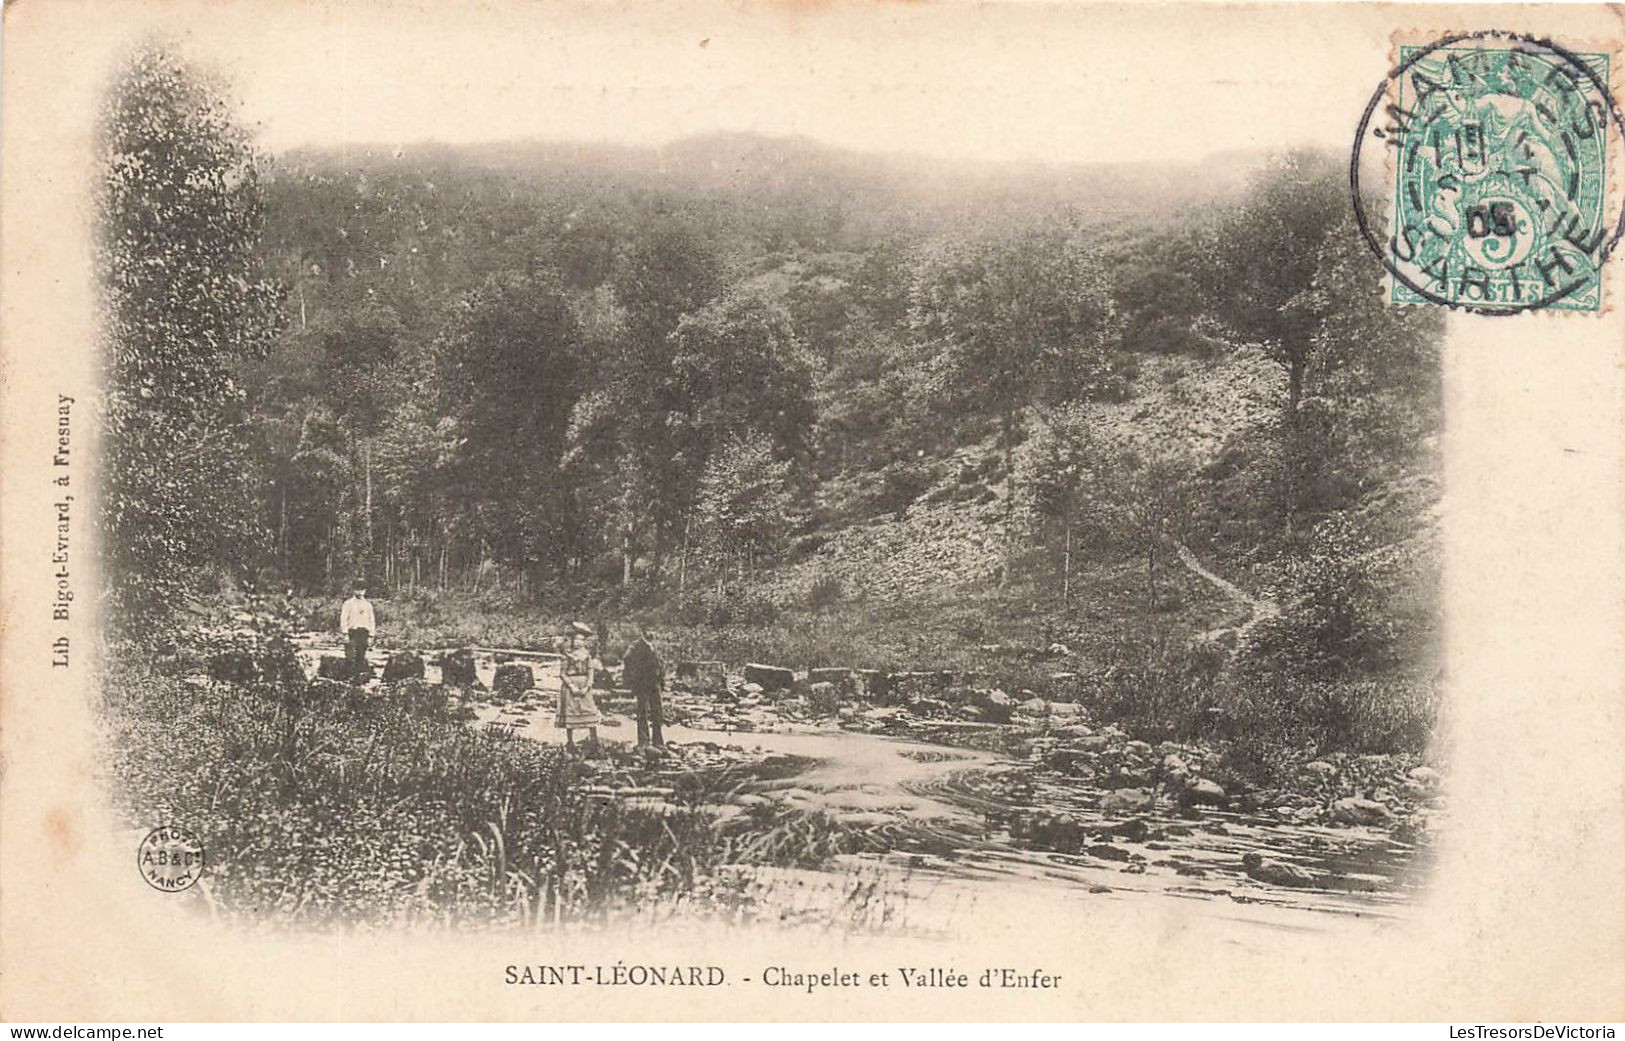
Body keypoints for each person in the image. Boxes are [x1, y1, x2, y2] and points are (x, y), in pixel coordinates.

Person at [556, 621, 603, 751]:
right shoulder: (567, 655)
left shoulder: (587, 655)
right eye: (577, 639)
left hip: (584, 685)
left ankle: (594, 740)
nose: (579, 642)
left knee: (590, 710)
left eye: (582, 640)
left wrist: (587, 686)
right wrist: (572, 686)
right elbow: (562, 674)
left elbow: (590, 672)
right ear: (572, 640)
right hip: (571, 686)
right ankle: (570, 741)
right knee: (570, 711)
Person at [622, 626, 665, 747]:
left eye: (653, 630)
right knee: (643, 712)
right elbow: (627, 660)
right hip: (643, 683)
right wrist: (635, 677)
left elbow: (660, 663)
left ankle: (658, 741)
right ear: (643, 631)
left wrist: (662, 678)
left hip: (655, 683)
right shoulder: (636, 646)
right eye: (649, 630)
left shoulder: (654, 645)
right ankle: (643, 741)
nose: (652, 632)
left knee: (657, 712)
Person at [339, 582, 376, 681]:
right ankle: (348, 678)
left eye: (362, 589)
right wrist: (345, 633)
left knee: (361, 657)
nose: (360, 592)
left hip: (363, 633)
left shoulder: (368, 605)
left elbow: (371, 621)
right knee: (350, 656)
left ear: (365, 591)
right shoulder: (348, 603)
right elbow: (343, 619)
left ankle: (358, 679)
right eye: (357, 589)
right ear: (354, 590)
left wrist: (371, 636)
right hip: (352, 633)